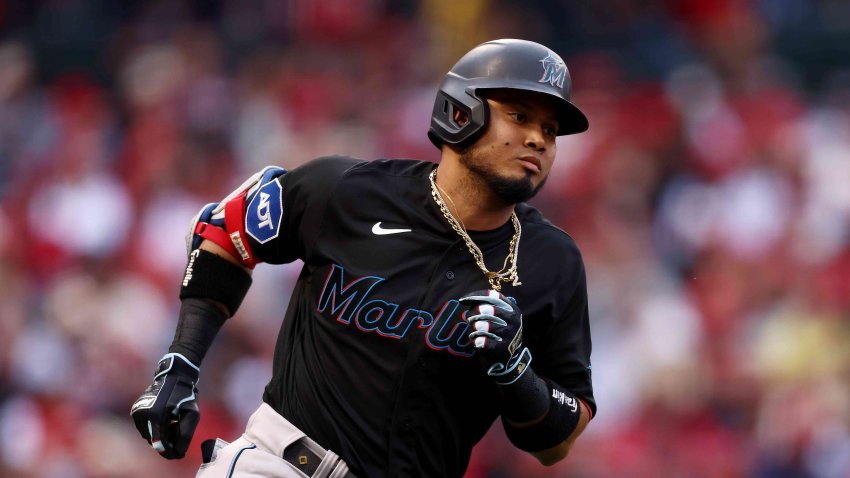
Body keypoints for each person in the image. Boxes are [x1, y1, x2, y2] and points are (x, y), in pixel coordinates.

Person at [131, 38, 596, 478]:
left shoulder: (552, 262)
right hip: (284, 464)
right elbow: (225, 230)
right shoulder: (349, 192)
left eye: (550, 131)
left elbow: (559, 441)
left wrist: (517, 375)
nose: (538, 140)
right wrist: (182, 361)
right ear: (460, 112)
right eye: (519, 116)